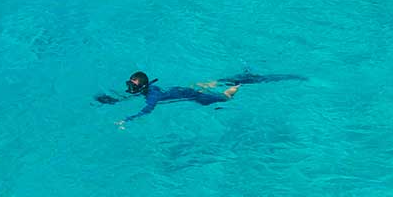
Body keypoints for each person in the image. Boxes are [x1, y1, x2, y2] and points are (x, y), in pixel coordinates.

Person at [98, 69, 304, 127]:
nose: (129, 88)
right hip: (182, 89)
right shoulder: (147, 89)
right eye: (129, 84)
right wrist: (113, 99)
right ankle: (225, 80)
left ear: (142, 86)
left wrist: (127, 120)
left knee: (225, 98)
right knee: (207, 84)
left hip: (193, 95)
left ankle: (239, 85)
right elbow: (132, 96)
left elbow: (147, 110)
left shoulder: (152, 95)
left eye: (132, 86)